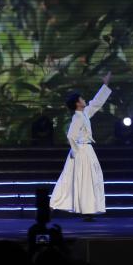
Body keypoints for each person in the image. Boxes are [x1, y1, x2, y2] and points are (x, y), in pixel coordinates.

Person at [49, 73, 112, 220]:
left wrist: (105, 85)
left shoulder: (84, 114)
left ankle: (87, 210)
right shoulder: (77, 117)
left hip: (85, 150)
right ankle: (53, 205)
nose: (84, 100)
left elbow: (96, 103)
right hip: (81, 151)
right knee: (73, 180)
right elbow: (70, 136)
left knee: (88, 179)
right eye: (82, 99)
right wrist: (77, 152)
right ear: (78, 103)